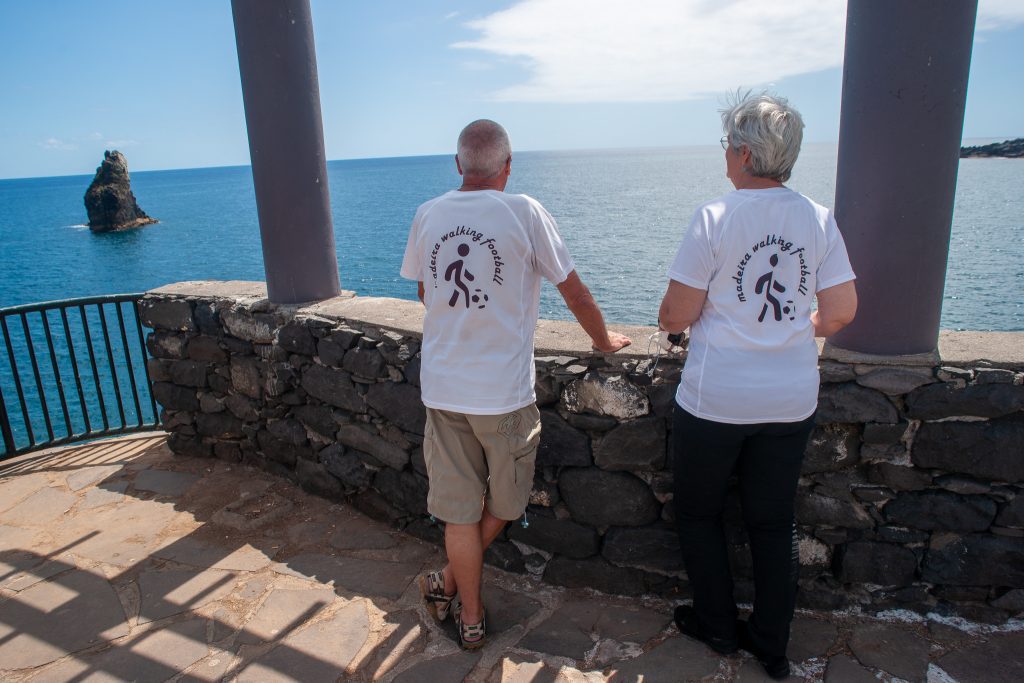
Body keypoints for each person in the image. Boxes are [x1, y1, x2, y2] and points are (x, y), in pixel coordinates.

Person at [400, 119, 631, 649]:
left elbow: (424, 291)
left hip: (443, 390)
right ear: (507, 166)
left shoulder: (429, 214)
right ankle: (468, 609)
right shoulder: (525, 211)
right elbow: (572, 291)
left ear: (458, 165)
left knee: (460, 511)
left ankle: (455, 594)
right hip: (504, 394)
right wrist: (601, 341)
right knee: (504, 504)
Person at [658, 92, 857, 680]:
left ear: (743, 154)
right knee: (773, 521)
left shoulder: (715, 218)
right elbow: (842, 310)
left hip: (716, 400)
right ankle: (772, 643)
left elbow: (675, 316)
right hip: (791, 398)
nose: (725, 155)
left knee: (699, 514)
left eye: (727, 145)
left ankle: (718, 627)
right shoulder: (818, 218)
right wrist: (796, 331)